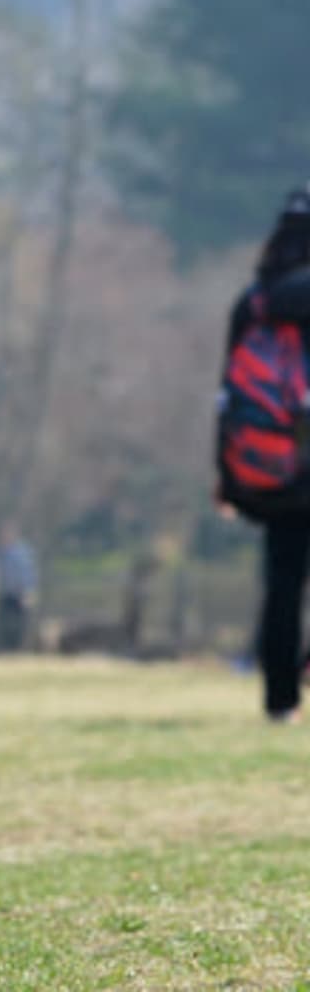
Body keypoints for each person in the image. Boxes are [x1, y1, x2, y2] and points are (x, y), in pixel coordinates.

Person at [223, 183, 310, 724]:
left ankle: (279, 698)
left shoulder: (252, 303)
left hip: (272, 466)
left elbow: (225, 395)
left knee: (282, 582)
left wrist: (225, 473)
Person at [0, 525, 40, 654]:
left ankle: (17, 649)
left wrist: (28, 592)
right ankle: (5, 648)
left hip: (20, 594)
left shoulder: (21, 552)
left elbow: (28, 574)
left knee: (19, 624)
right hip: (5, 593)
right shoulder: (1, 551)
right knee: (3, 623)